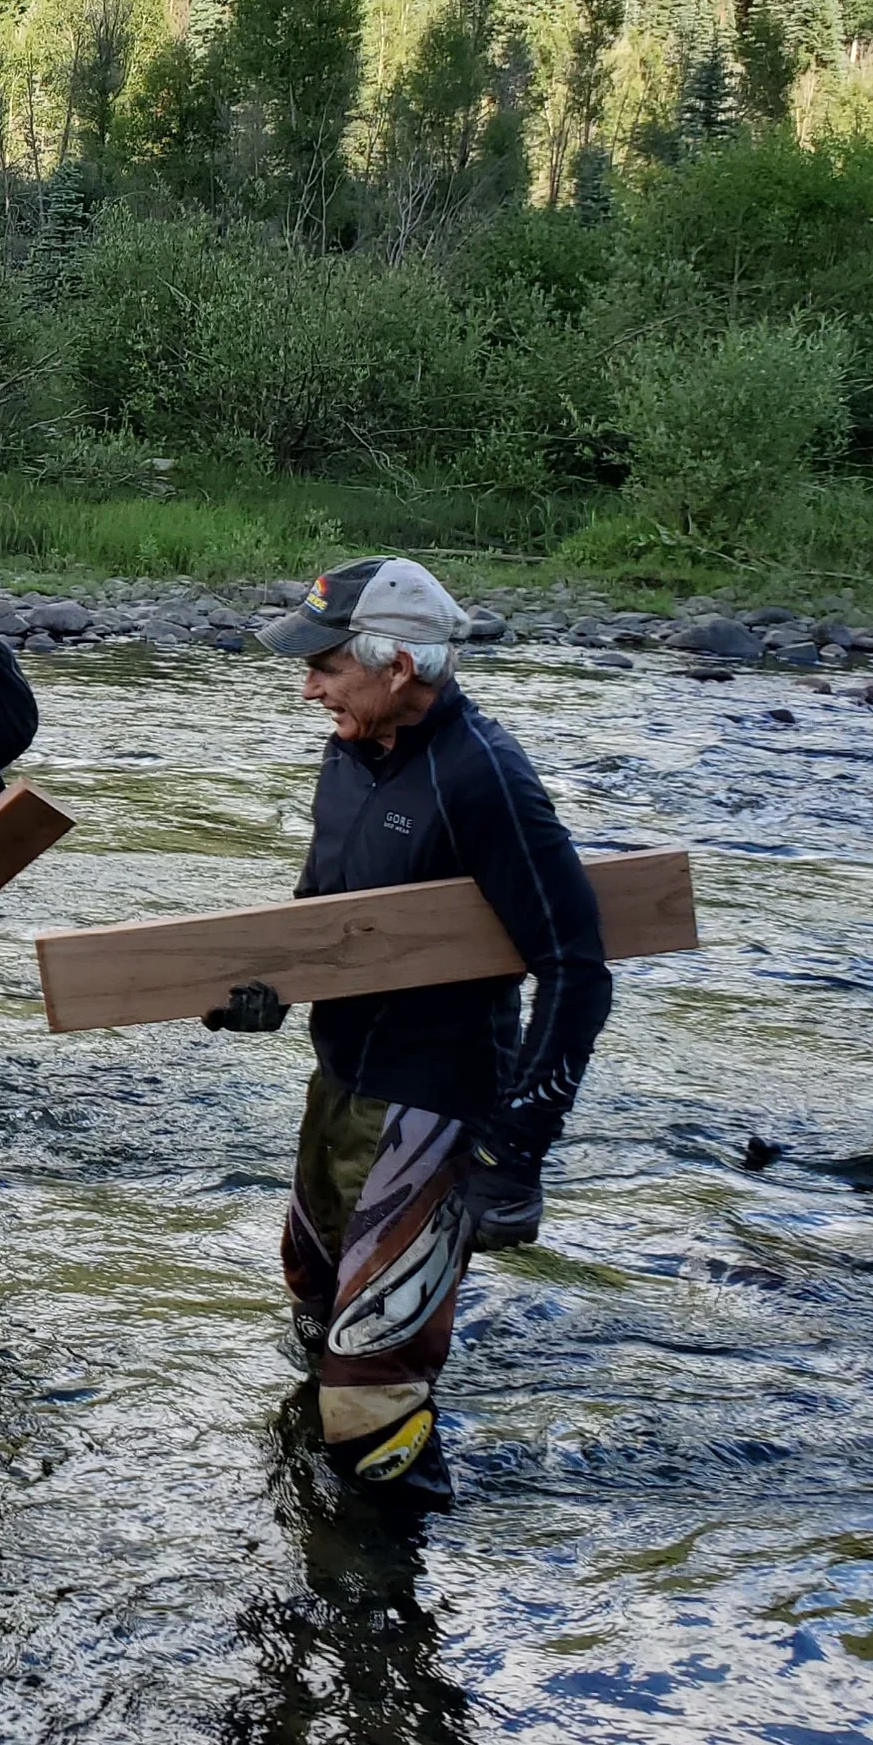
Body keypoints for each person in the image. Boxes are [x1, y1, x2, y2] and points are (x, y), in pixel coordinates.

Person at [216, 556, 615, 1496]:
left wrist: (518, 1153)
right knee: (316, 1305)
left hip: (436, 1100)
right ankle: (322, 1530)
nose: (307, 685)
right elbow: (323, 916)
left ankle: (384, 1598)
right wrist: (263, 991)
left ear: (399, 667)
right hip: (343, 1078)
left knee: (370, 1387)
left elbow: (576, 970)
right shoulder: (350, 750)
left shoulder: (484, 778)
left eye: (324, 665)